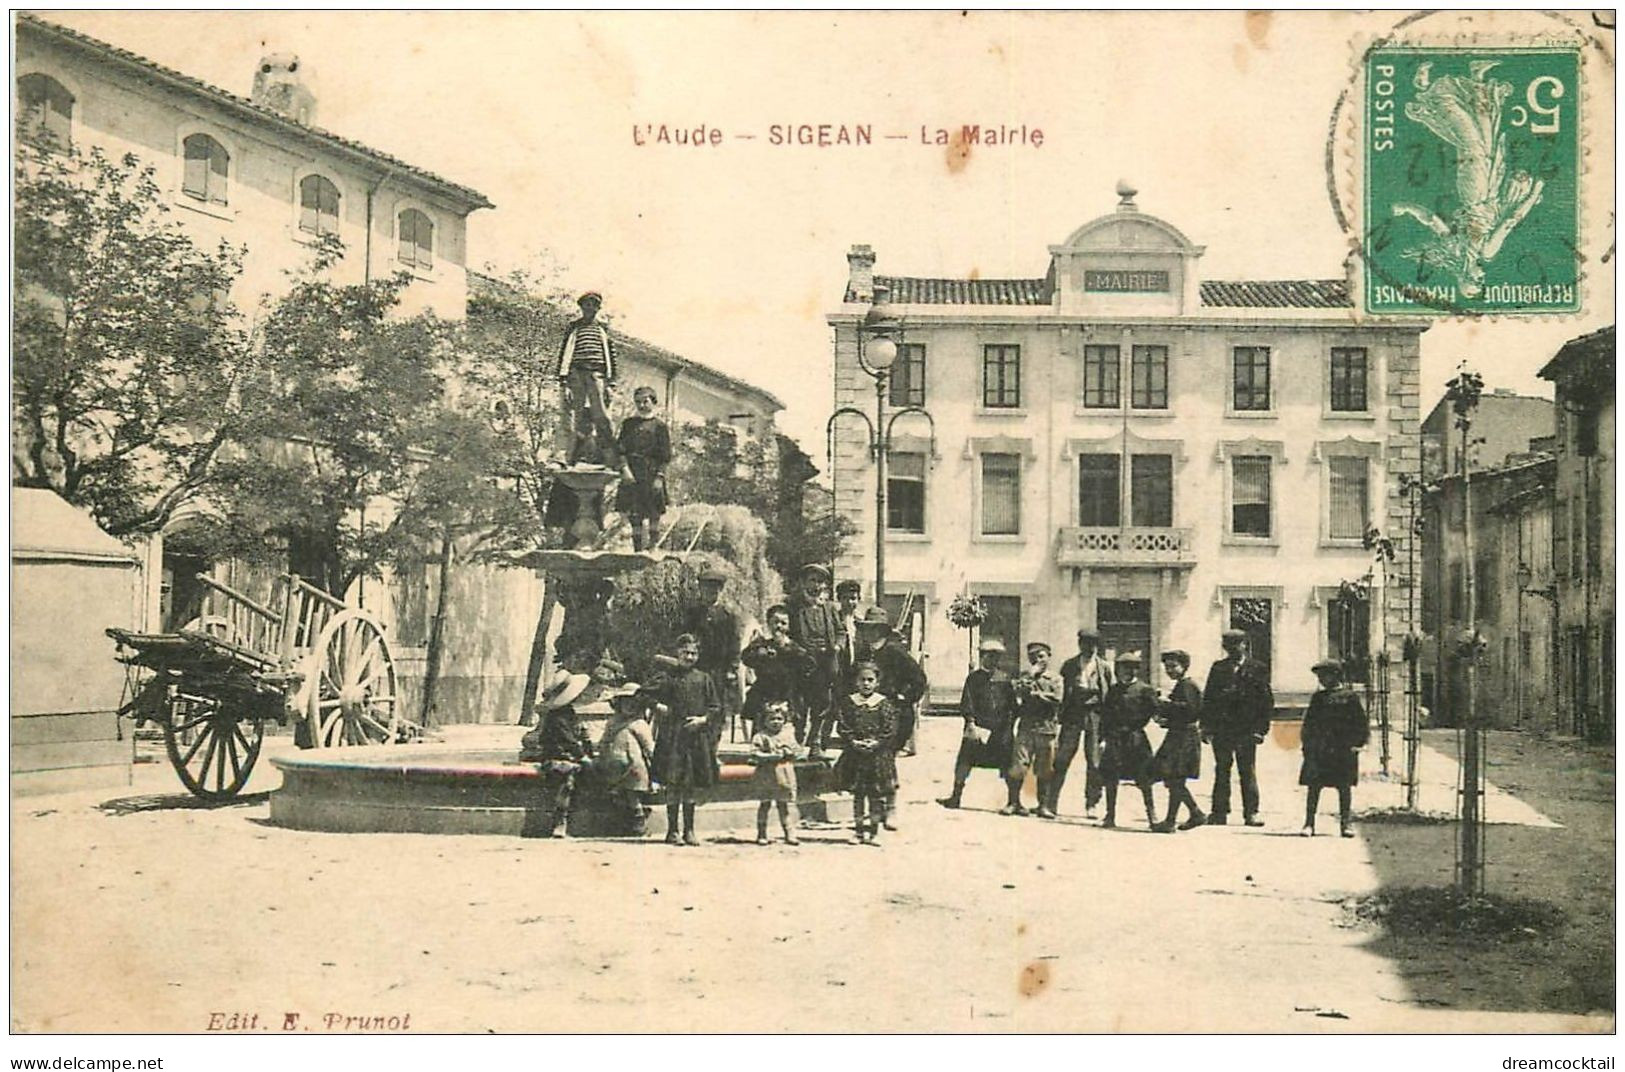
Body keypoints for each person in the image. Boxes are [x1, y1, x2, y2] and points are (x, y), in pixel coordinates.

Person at [852, 606, 927, 825]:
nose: (870, 634)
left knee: (885, 760)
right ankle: (873, 808)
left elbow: (919, 680)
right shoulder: (863, 654)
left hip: (894, 716)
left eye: (875, 629)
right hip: (867, 717)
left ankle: (891, 808)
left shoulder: (896, 653)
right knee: (868, 762)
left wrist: (904, 697)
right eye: (867, 629)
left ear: (882, 631)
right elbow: (850, 680)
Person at [649, 633, 723, 846]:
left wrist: (702, 720)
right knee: (673, 784)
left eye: (693, 653)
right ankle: (672, 831)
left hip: (695, 738)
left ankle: (689, 830)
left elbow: (715, 706)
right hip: (673, 737)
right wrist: (658, 706)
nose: (689, 657)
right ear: (677, 653)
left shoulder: (703, 678)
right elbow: (643, 693)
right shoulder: (667, 677)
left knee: (690, 784)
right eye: (685, 652)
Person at [1201, 628, 1275, 827]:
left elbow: (1266, 701)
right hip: (1222, 729)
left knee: (1247, 770)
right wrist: (1206, 727)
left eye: (1236, 644)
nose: (1232, 649)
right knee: (1222, 770)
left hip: (1246, 730)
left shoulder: (1257, 668)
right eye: (1228, 646)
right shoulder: (1218, 668)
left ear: (1244, 645)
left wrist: (1261, 730)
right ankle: (1219, 813)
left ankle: (1251, 813)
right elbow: (1208, 699)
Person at [938, 639, 1016, 809]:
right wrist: (971, 723)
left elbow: (1012, 706)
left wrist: (1008, 726)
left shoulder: (1004, 679)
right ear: (982, 657)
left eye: (996, 657)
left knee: (1008, 763)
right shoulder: (973, 679)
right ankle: (955, 797)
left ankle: (1013, 801)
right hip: (978, 728)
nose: (992, 660)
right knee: (964, 761)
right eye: (988, 656)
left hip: (1000, 730)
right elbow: (967, 702)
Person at [519, 670, 594, 838]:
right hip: (557, 757)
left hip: (567, 755)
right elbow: (569, 741)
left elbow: (577, 738)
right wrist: (583, 756)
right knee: (566, 779)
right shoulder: (557, 717)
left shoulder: (568, 713)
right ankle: (560, 821)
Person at [1299, 660, 1369, 838]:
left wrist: (1358, 743)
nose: (1321, 679)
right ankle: (1309, 824)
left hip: (1343, 749)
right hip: (1320, 749)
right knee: (1314, 787)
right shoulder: (1318, 698)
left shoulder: (1350, 697)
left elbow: (1360, 723)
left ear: (1336, 675)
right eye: (1320, 676)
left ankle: (1346, 824)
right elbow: (1309, 724)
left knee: (1344, 787)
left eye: (1325, 675)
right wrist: (1307, 745)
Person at [833, 661, 898, 845]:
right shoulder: (849, 702)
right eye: (862, 680)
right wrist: (853, 741)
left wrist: (877, 742)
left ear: (877, 682)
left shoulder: (883, 703)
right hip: (856, 755)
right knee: (859, 795)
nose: (866, 683)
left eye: (870, 680)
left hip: (877, 756)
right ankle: (859, 831)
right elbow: (843, 725)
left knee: (876, 795)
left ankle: (874, 831)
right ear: (856, 682)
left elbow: (890, 729)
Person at [1053, 628, 1114, 817]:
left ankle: (1092, 803)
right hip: (1073, 715)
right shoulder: (1069, 665)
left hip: (1095, 715)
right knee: (1062, 757)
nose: (1090, 648)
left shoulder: (1103, 667)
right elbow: (1061, 693)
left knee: (1095, 761)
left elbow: (1110, 694)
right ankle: (1050, 801)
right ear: (1080, 644)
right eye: (1086, 643)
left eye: (1094, 644)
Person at [556, 291, 619, 466]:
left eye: (594, 305)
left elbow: (611, 358)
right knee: (573, 416)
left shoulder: (602, 330)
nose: (590, 308)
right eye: (587, 305)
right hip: (576, 374)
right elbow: (564, 355)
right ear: (581, 307)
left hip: (597, 374)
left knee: (601, 416)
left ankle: (608, 455)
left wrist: (610, 383)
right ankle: (567, 456)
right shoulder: (574, 328)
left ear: (598, 308)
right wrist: (564, 382)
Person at [1099, 651, 1158, 829]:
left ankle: (1152, 815)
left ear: (1137, 670)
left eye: (1132, 668)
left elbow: (1152, 711)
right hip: (1115, 739)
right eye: (1124, 668)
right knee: (1111, 777)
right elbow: (1106, 715)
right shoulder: (1114, 691)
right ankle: (1110, 815)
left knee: (1144, 777)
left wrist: (1137, 724)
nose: (1127, 672)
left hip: (1135, 738)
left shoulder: (1145, 690)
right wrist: (1103, 739)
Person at [787, 564, 841, 756]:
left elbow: (840, 631)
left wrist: (837, 646)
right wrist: (798, 651)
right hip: (801, 663)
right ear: (803, 583)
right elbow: (785, 635)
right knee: (800, 704)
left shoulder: (829, 608)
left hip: (824, 663)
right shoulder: (793, 608)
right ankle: (798, 737)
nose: (816, 585)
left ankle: (816, 742)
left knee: (822, 702)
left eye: (820, 581)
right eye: (812, 580)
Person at [1150, 650, 1207, 833]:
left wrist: (1164, 704)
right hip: (1178, 735)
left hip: (1184, 738)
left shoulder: (1188, 685)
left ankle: (1172, 820)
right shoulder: (1181, 685)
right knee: (1173, 778)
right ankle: (1194, 813)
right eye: (1167, 667)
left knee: (1174, 778)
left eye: (1173, 666)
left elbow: (1190, 710)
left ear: (1184, 666)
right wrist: (1166, 719)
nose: (1169, 670)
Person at [683, 567, 742, 737]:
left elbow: (734, 644)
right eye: (707, 588)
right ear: (700, 589)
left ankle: (714, 742)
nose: (711, 592)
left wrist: (732, 668)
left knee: (717, 706)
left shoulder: (728, 616)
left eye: (715, 588)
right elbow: (685, 637)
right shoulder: (692, 613)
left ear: (720, 590)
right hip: (698, 665)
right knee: (696, 703)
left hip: (719, 669)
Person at [1007, 641, 1064, 818]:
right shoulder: (1026, 675)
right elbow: (1017, 691)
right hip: (1027, 727)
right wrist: (1030, 677)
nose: (1037, 660)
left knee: (1045, 768)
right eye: (1033, 657)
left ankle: (1043, 805)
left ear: (1048, 657)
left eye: (1041, 656)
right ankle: (1013, 802)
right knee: (1019, 766)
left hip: (1046, 728)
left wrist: (1037, 695)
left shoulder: (1055, 678)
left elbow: (1057, 699)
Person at [740, 604, 815, 737]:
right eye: (775, 622)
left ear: (789, 626)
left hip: (788, 692)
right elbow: (746, 658)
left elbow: (809, 664)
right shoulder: (762, 645)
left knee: (790, 724)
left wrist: (787, 648)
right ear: (768, 624)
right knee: (761, 723)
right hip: (765, 691)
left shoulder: (794, 647)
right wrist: (759, 653)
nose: (779, 626)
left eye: (783, 623)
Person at [615, 386, 671, 551]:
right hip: (632, 474)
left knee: (654, 513)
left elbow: (665, 455)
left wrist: (659, 478)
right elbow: (620, 450)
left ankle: (653, 547)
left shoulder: (660, 426)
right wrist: (625, 470)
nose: (641, 405)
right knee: (634, 514)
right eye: (638, 402)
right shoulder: (628, 424)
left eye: (645, 401)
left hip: (651, 473)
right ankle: (637, 549)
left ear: (653, 402)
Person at [595, 682, 656, 836]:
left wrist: (656, 766)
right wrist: (601, 751)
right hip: (614, 764)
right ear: (619, 704)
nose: (629, 706)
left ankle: (639, 819)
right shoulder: (613, 722)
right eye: (625, 703)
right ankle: (622, 822)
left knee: (632, 794)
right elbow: (605, 740)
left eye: (634, 703)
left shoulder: (640, 724)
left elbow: (649, 747)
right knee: (616, 794)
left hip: (633, 766)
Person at [750, 700, 805, 845]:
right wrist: (770, 756)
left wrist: (790, 752)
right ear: (764, 720)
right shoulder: (760, 736)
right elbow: (754, 754)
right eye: (771, 719)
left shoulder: (788, 736)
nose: (776, 722)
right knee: (765, 805)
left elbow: (798, 752)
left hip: (784, 776)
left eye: (780, 719)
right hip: (767, 775)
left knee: (784, 806)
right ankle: (761, 833)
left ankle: (789, 833)